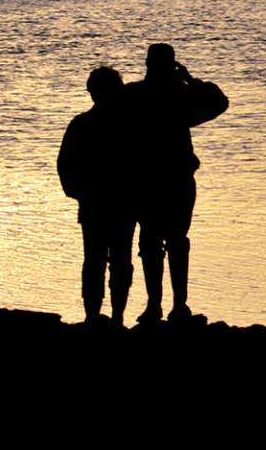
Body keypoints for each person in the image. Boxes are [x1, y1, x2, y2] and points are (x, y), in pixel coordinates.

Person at [128, 43, 229, 324]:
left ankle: (157, 306)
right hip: (171, 179)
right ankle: (174, 305)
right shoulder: (179, 95)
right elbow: (218, 102)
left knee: (153, 242)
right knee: (172, 241)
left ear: (148, 64)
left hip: (150, 180)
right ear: (172, 65)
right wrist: (190, 79)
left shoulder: (136, 95)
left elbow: (219, 103)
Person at [59, 67, 139, 325]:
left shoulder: (82, 124)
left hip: (99, 202)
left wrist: (78, 192)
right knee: (117, 261)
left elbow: (65, 165)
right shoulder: (128, 125)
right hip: (118, 203)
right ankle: (114, 317)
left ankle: (95, 315)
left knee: (95, 260)